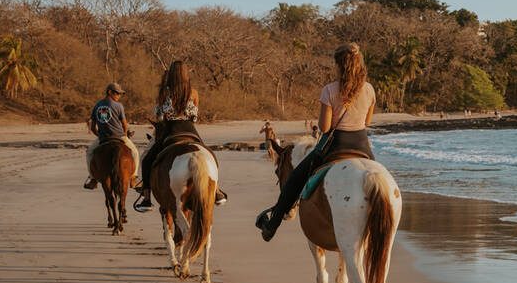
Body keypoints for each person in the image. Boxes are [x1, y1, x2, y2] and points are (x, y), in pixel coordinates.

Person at [256, 42, 376, 242]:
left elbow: (325, 128)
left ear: (339, 65)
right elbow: (368, 121)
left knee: (294, 180)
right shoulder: (370, 89)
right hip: (362, 146)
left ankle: (272, 225)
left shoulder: (329, 90)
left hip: (336, 145)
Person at [134, 61, 227, 212]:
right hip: (189, 129)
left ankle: (146, 197)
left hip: (170, 130)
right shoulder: (193, 92)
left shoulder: (164, 92)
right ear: (186, 74)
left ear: (171, 74)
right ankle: (216, 189)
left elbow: (159, 116)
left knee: (147, 159)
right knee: (209, 154)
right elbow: (195, 117)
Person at [84, 83, 140, 190]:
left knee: (89, 153)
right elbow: (124, 124)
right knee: (135, 152)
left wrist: (99, 135)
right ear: (110, 92)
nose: (119, 96)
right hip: (119, 136)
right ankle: (133, 178)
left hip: (103, 138)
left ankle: (93, 179)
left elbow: (92, 126)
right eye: (117, 93)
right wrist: (124, 135)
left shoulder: (97, 105)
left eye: (120, 94)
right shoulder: (118, 106)